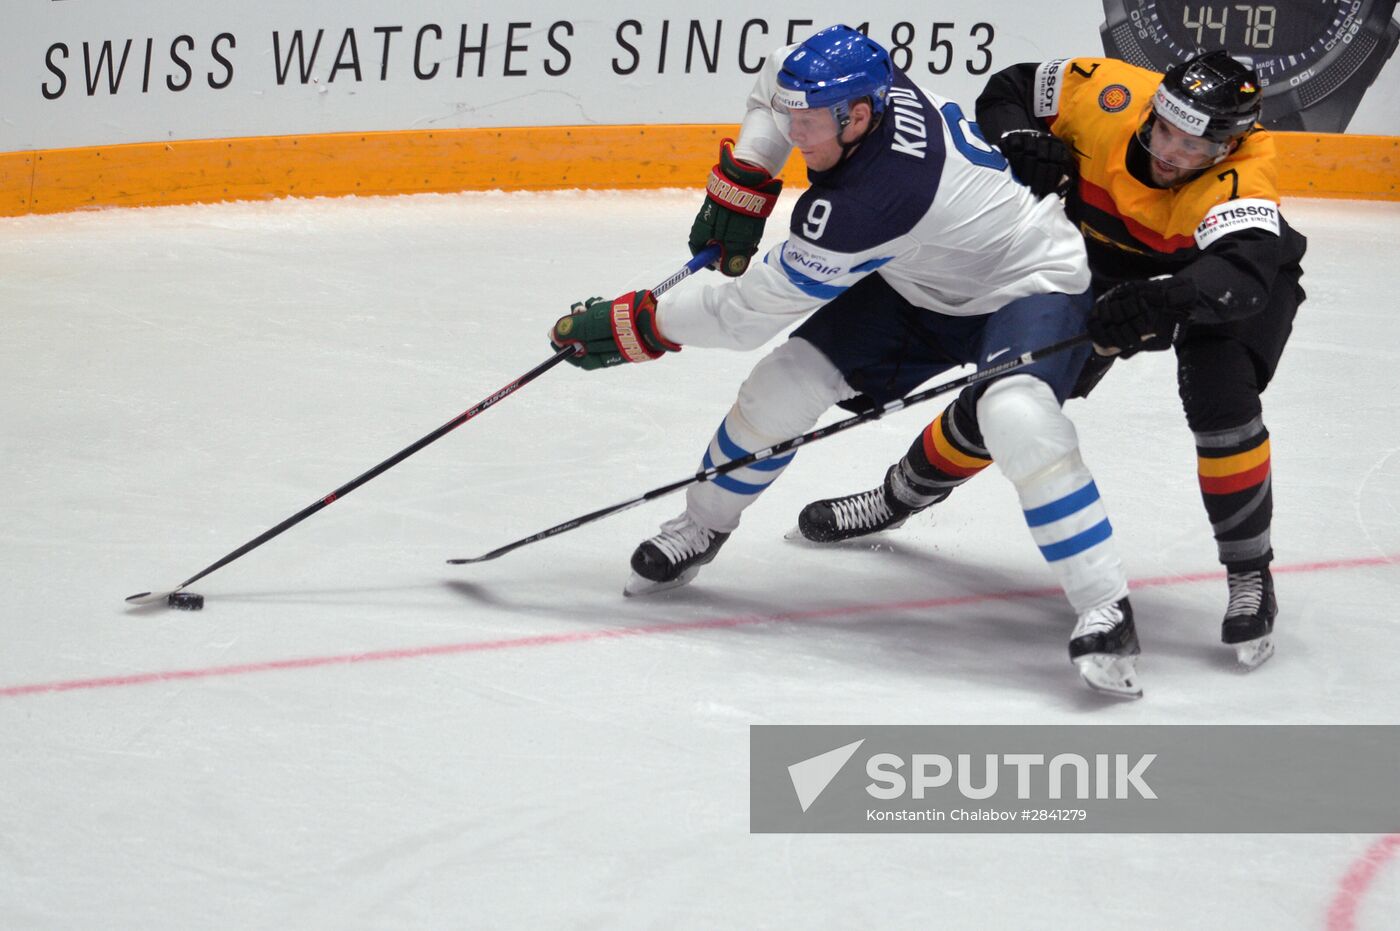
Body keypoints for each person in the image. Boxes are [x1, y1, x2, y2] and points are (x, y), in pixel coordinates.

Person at [549, 25, 1143, 698]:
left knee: (1014, 413)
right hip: (921, 279)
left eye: (808, 125)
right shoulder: (862, 94)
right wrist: (745, 178)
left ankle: (1106, 606)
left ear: (857, 117)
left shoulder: (866, 204)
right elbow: (776, 82)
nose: (795, 133)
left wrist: (641, 325)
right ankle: (702, 524)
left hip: (1028, 281)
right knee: (786, 383)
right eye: (795, 121)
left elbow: (743, 317)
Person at [796, 49, 1306, 671]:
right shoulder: (1105, 90)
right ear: (1152, 111)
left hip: (1202, 274)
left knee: (1220, 398)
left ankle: (1251, 574)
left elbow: (1243, 276)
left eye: (1195, 147)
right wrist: (1017, 134)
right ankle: (896, 497)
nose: (1172, 153)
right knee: (1012, 394)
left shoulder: (1248, 176)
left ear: (1229, 148)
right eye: (1165, 130)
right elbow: (1007, 86)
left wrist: (1164, 299)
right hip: (1096, 258)